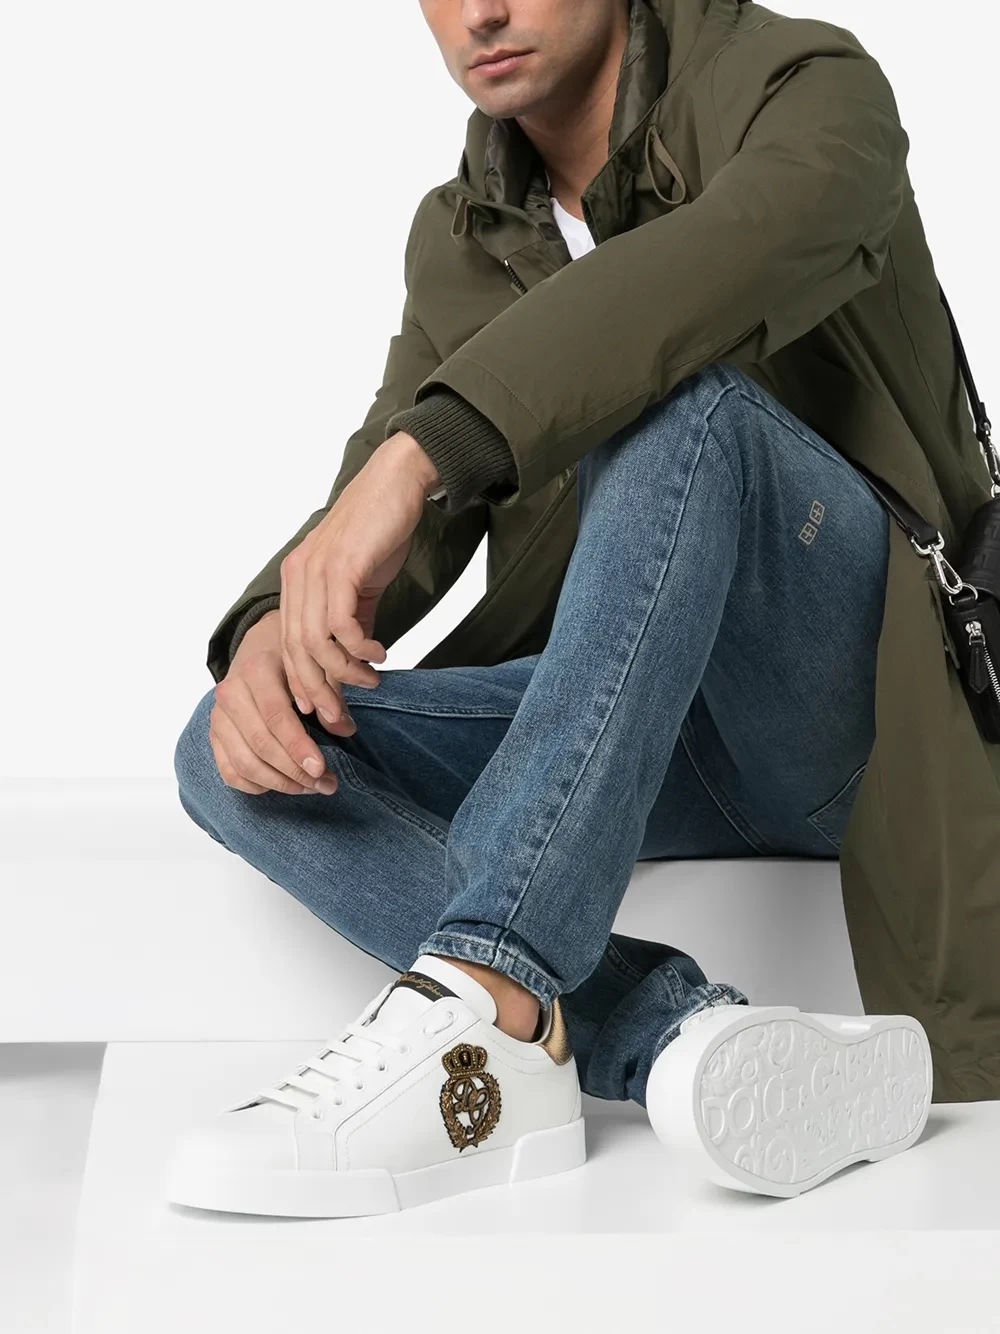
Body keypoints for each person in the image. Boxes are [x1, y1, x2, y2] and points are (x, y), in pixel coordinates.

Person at [168, 0, 1000, 1217]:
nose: (481, 12)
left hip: (860, 708)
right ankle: (679, 1039)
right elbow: (388, 510)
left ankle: (491, 997)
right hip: (637, 717)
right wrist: (268, 638)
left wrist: (425, 452)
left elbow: (706, 269)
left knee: (684, 406)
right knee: (235, 748)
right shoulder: (466, 229)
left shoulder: (808, 88)